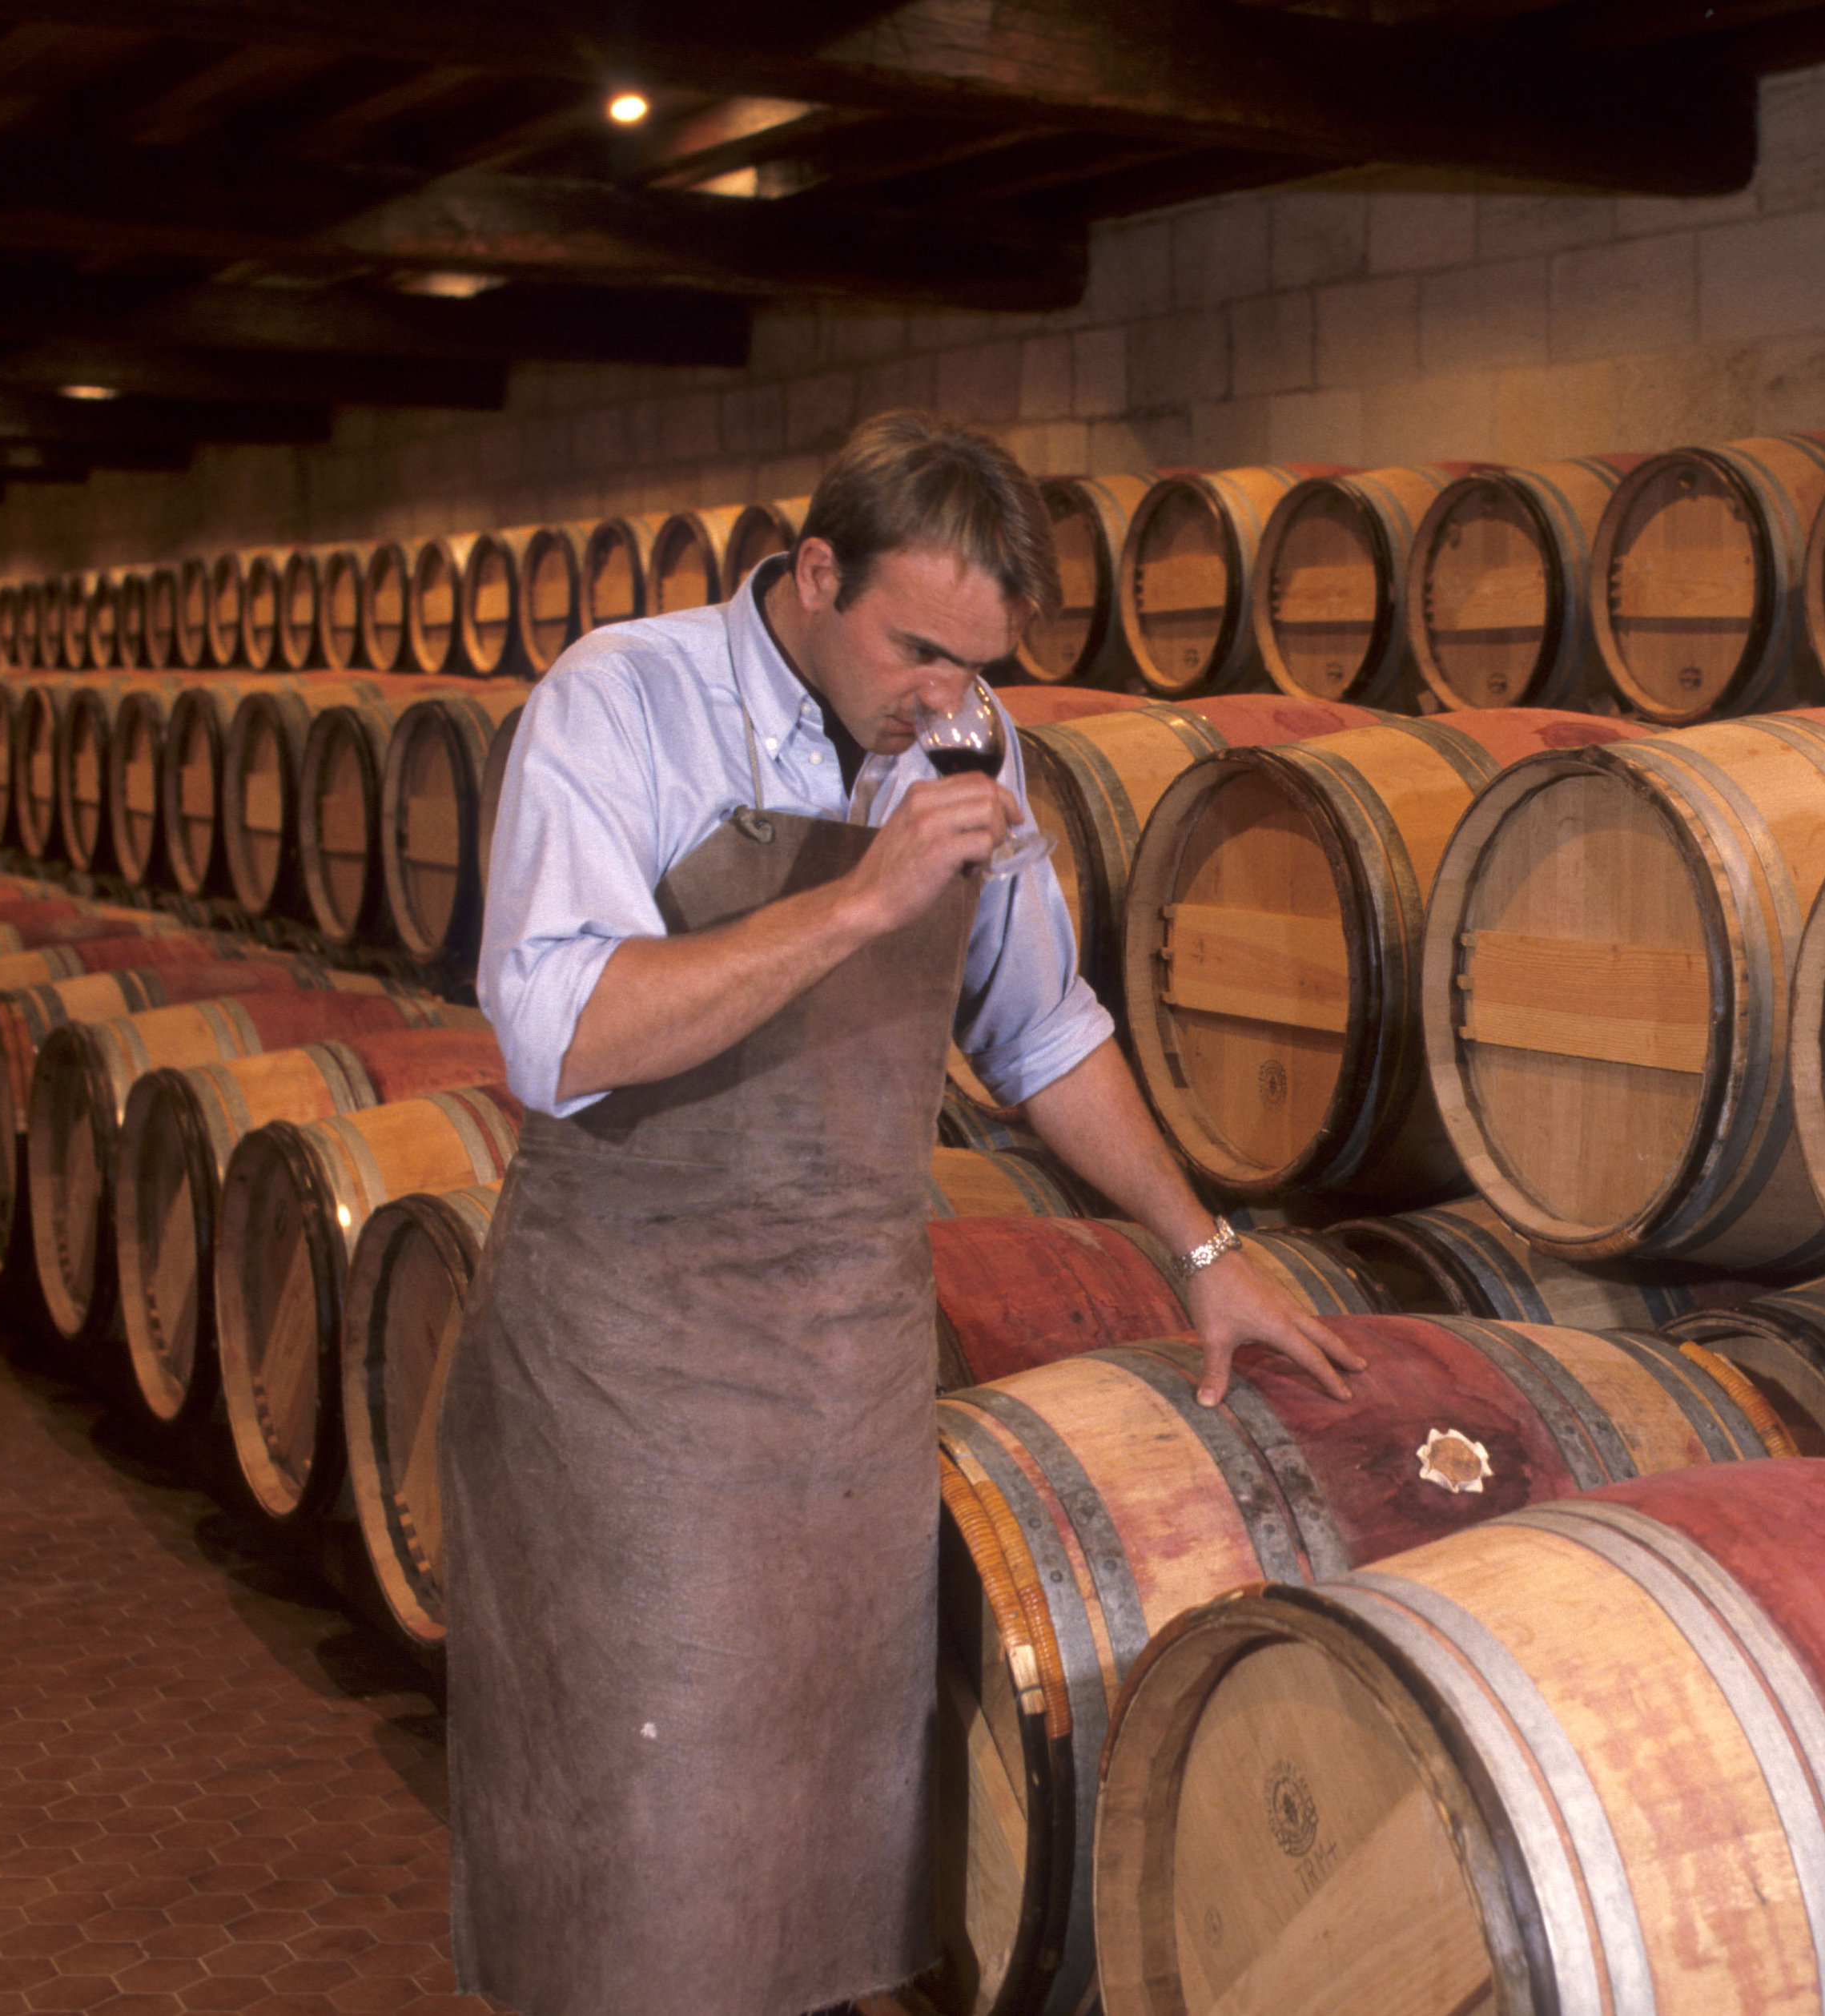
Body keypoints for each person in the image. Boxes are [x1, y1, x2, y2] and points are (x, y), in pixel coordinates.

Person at [441, 411, 1367, 2016]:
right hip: (631, 1357)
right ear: (814, 571)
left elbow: (1042, 1026)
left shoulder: (969, 738)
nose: (947, 695)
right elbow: (561, 1031)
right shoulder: (625, 697)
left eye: (979, 662)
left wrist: (1200, 1247)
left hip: (839, 1356)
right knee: (639, 1849)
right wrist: (861, 897)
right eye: (919, 649)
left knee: (826, 1847)